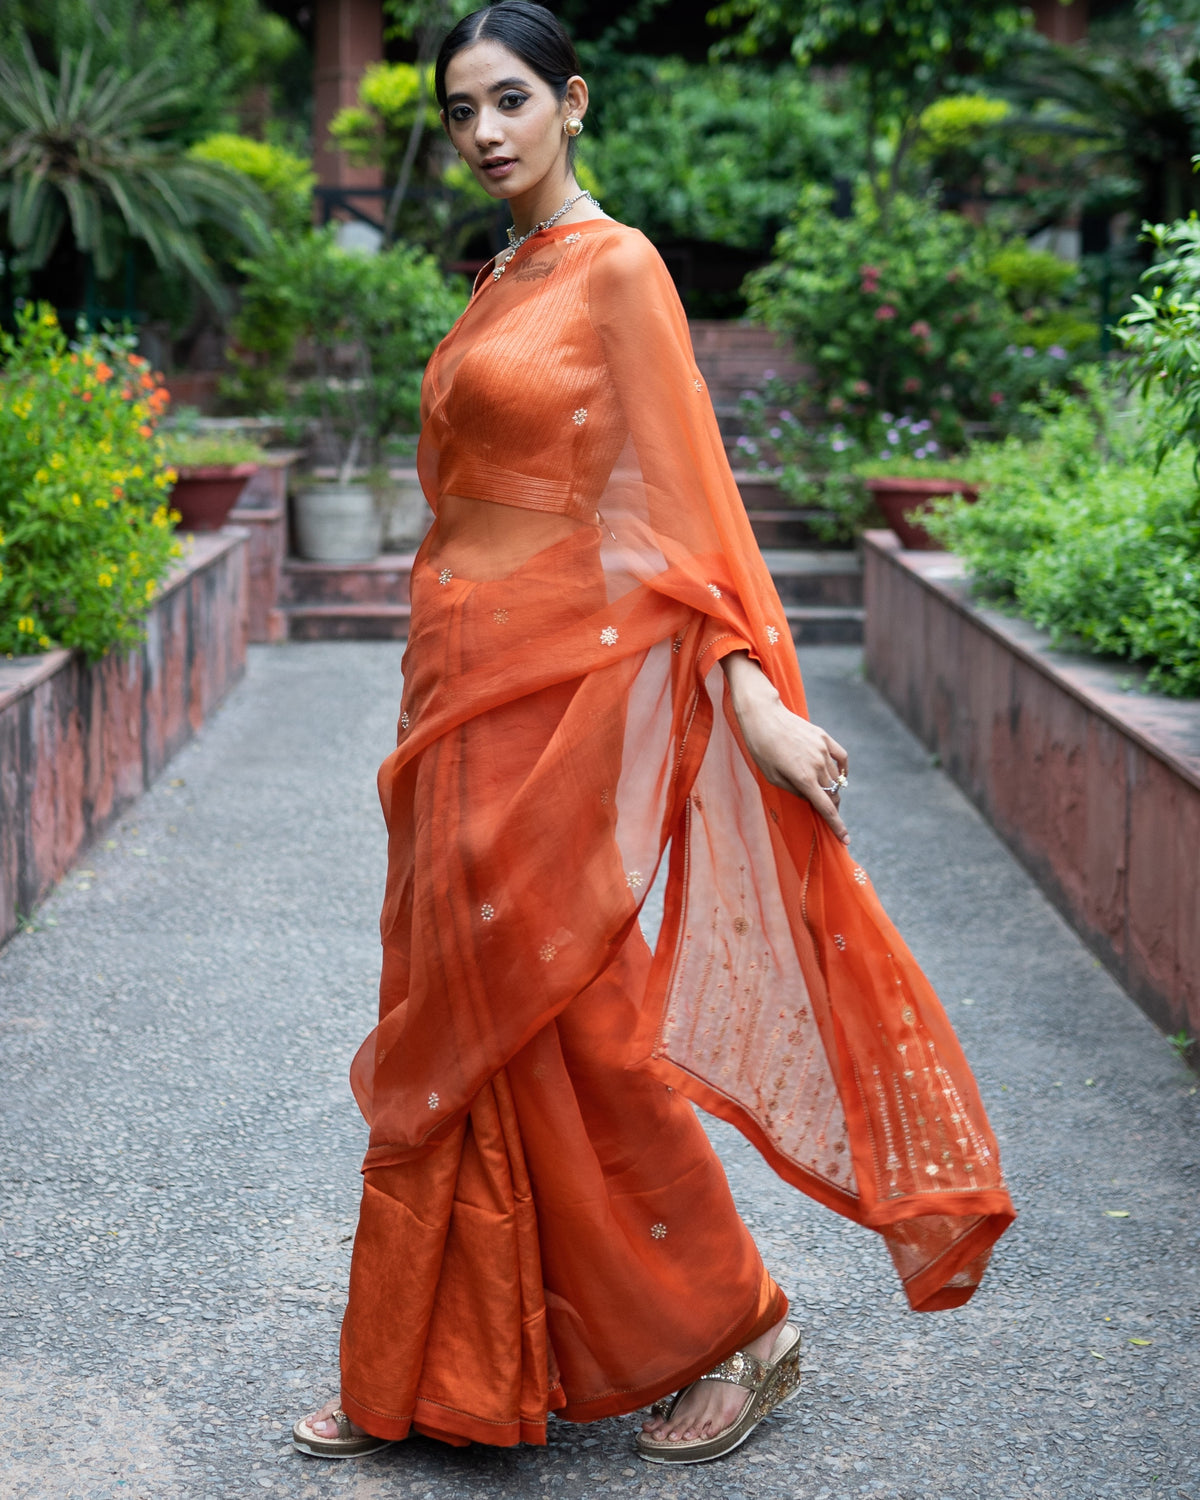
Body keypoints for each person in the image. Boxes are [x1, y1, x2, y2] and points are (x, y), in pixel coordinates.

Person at [292, 0, 1015, 1468]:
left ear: (572, 102)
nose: (482, 131)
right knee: (462, 1022)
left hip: (556, 702)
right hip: (452, 697)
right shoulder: (501, 273)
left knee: (584, 1018)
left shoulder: (617, 268)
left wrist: (749, 695)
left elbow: (682, 512)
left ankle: (743, 1322)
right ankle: (432, 1368)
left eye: (509, 99)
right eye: (458, 110)